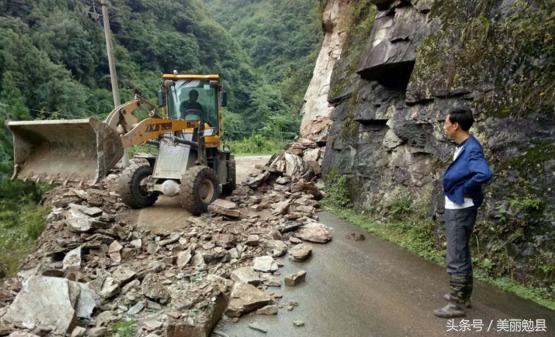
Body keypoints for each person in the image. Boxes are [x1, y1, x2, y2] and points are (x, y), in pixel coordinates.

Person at [434, 106, 492, 318]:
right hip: (459, 208)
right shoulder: (464, 145)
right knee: (462, 250)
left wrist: (465, 189)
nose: (444, 126)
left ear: (455, 125)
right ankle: (464, 296)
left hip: (460, 209)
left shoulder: (472, 148)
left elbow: (483, 173)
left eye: (446, 123)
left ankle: (457, 304)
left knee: (456, 254)